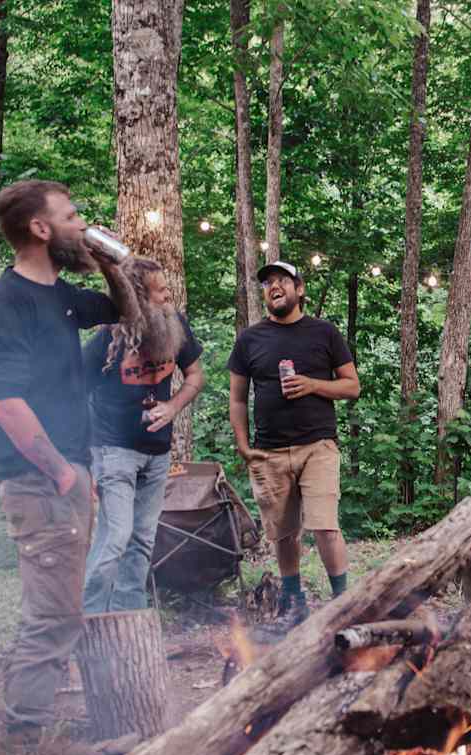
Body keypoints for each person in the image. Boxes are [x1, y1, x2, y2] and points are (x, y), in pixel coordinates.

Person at [0, 179, 139, 755]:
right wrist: (64, 477)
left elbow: (125, 315)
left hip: (67, 477)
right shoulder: (7, 302)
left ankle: (38, 750)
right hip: (41, 484)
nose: (80, 223)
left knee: (60, 618)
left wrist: (110, 261)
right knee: (48, 627)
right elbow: (7, 405)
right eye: (71, 217)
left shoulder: (62, 299)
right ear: (41, 230)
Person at [227, 261, 359, 631]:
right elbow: (238, 399)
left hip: (318, 445)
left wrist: (313, 385)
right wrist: (243, 445)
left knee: (325, 527)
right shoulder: (249, 339)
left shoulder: (324, 333)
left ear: (299, 289)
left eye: (282, 280)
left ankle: (343, 605)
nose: (274, 286)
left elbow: (351, 386)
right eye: (268, 282)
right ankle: (293, 602)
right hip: (268, 450)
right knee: (283, 533)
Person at [81, 257, 205, 613]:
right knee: (115, 537)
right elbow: (74, 393)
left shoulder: (175, 325)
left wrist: (172, 407)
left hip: (157, 452)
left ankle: (128, 618)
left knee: (142, 539)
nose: (169, 297)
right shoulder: (107, 337)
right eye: (161, 292)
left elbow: (195, 376)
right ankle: (89, 619)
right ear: (137, 299)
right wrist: (86, 458)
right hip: (113, 449)